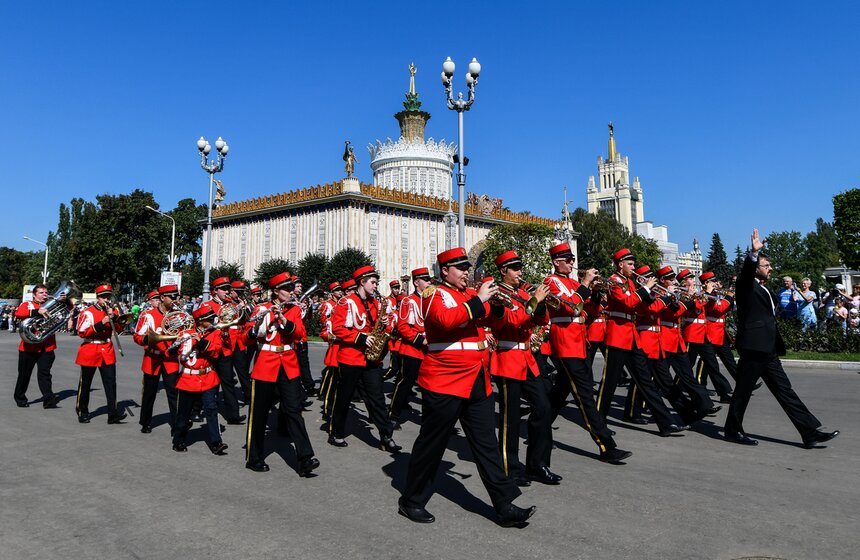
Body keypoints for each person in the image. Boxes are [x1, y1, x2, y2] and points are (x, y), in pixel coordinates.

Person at [399, 247, 536, 527]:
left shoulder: (471, 295)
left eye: (467, 267)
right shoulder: (434, 294)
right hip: (445, 379)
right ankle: (411, 500)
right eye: (460, 268)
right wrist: (480, 300)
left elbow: (495, 324)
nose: (466, 272)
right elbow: (445, 321)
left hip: (476, 377)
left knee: (487, 444)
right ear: (445, 271)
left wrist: (496, 306)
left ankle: (504, 504)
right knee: (432, 444)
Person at [724, 229, 839, 448]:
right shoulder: (745, 285)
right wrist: (753, 253)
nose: (770, 269)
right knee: (743, 391)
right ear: (756, 267)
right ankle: (732, 430)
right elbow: (747, 273)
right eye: (766, 265)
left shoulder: (765, 289)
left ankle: (809, 432)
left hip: (768, 348)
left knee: (784, 390)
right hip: (754, 347)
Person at [544, 243, 631, 463]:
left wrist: (595, 296)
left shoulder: (574, 283)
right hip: (564, 344)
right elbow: (568, 307)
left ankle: (538, 428)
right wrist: (585, 285)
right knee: (585, 396)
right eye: (569, 259)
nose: (573, 263)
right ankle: (606, 446)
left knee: (558, 394)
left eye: (573, 259)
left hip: (579, 343)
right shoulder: (550, 282)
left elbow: (588, 312)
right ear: (557, 262)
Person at [596, 248, 687, 436]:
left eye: (633, 263)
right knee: (609, 384)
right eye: (630, 264)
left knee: (646, 382)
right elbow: (627, 303)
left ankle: (666, 423)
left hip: (632, 337)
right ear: (620, 264)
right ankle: (599, 423)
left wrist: (656, 294)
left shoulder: (630, 282)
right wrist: (645, 289)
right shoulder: (614, 281)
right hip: (617, 337)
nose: (633, 267)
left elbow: (642, 306)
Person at [487, 250, 559, 486]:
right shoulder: (496, 295)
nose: (520, 273)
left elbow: (541, 320)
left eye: (520, 268)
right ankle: (510, 467)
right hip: (507, 358)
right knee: (511, 418)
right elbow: (512, 321)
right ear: (503, 271)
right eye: (515, 269)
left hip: (527, 357)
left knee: (544, 408)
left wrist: (539, 304)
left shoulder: (521, 293)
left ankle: (537, 464)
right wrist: (534, 301)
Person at [244, 272, 319, 476]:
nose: (291, 291)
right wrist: (262, 323)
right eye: (287, 288)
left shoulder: (293, 310)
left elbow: (300, 334)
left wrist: (283, 320)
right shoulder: (261, 309)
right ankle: (254, 457)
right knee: (259, 413)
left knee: (294, 410)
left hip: (288, 364)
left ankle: (305, 458)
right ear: (276, 291)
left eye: (291, 287)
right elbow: (246, 337)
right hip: (265, 365)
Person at [329, 266, 401, 452]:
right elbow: (337, 328)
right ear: (362, 282)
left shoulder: (375, 303)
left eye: (376, 282)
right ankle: (336, 433)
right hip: (351, 358)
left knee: (377, 399)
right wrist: (361, 337)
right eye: (373, 282)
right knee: (344, 398)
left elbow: (378, 326)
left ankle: (386, 436)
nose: (376, 286)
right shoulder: (346, 302)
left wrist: (385, 324)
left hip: (371, 359)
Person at [168, 302, 228, 455]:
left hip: (207, 376)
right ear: (200, 321)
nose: (213, 321)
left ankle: (216, 442)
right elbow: (175, 354)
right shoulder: (185, 334)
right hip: (188, 377)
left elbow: (216, 351)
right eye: (210, 319)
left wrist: (200, 342)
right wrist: (176, 346)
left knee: (211, 409)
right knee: (184, 412)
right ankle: (179, 440)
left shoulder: (214, 333)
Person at [133, 286, 183, 433]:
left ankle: (176, 424)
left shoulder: (178, 315)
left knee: (173, 393)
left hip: (170, 358)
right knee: (149, 393)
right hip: (152, 357)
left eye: (176, 297)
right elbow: (137, 336)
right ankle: (146, 422)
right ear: (162, 298)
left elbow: (184, 334)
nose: (175, 300)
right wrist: (148, 339)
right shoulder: (148, 315)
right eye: (172, 297)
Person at [74, 284, 127, 424]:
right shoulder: (88, 312)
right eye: (103, 297)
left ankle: (113, 414)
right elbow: (82, 331)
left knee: (111, 383)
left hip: (107, 349)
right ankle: (82, 411)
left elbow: (120, 328)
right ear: (98, 298)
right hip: (91, 347)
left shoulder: (112, 311)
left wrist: (114, 317)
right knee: (85, 383)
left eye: (108, 296)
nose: (106, 299)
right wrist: (101, 323)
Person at [389, 268, 432, 427]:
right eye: (425, 280)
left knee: (430, 388)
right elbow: (403, 327)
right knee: (404, 384)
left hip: (430, 351)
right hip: (412, 349)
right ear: (416, 282)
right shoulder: (408, 301)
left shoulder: (432, 300)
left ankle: (433, 421)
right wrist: (420, 340)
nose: (429, 282)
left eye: (429, 280)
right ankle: (393, 415)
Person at [13, 284, 62, 408]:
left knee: (45, 374)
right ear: (34, 295)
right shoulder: (27, 305)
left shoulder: (53, 305)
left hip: (47, 346)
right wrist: (37, 311)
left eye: (46, 292)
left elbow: (68, 309)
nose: (45, 294)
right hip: (29, 347)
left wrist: (64, 300)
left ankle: (48, 398)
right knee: (24, 374)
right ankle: (20, 398)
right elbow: (19, 313)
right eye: (41, 292)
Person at [208, 276, 246, 425]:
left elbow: (239, 321)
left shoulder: (231, 304)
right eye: (223, 289)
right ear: (215, 291)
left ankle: (233, 415)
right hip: (211, 348)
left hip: (225, 347)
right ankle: (197, 409)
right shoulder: (207, 305)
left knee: (228, 380)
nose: (227, 292)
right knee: (208, 381)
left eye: (228, 289)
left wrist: (242, 309)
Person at [318, 282, 345, 422]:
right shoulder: (328, 304)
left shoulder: (343, 303)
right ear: (332, 292)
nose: (340, 292)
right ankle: (327, 407)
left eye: (341, 290)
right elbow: (325, 321)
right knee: (331, 378)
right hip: (335, 342)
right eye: (337, 290)